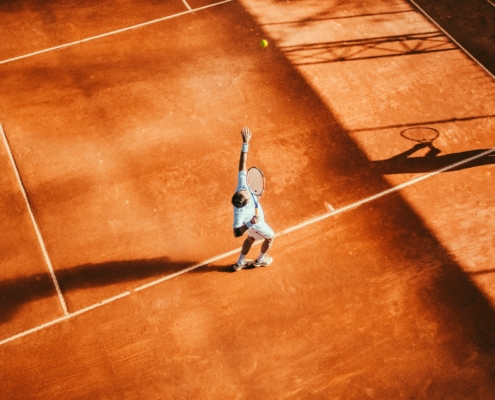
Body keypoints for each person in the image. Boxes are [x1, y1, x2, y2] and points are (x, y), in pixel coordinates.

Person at [231, 127, 275, 271]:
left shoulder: (241, 187)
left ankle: (239, 263)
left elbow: (242, 164)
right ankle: (259, 260)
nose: (245, 189)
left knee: (250, 239)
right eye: (246, 192)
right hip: (256, 224)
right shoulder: (240, 212)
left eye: (243, 190)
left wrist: (245, 143)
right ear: (246, 202)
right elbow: (237, 233)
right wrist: (250, 223)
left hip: (251, 225)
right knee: (270, 238)